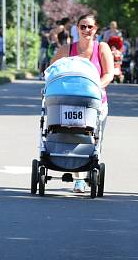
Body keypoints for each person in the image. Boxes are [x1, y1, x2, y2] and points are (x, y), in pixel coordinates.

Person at [49, 13, 114, 193]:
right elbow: (52, 71)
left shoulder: (102, 48)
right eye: (82, 27)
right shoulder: (66, 50)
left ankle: (87, 173)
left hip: (94, 102)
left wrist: (95, 87)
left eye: (90, 27)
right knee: (72, 135)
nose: (86, 30)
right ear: (77, 28)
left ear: (96, 29)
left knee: (92, 138)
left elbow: (109, 73)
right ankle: (78, 177)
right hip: (68, 100)